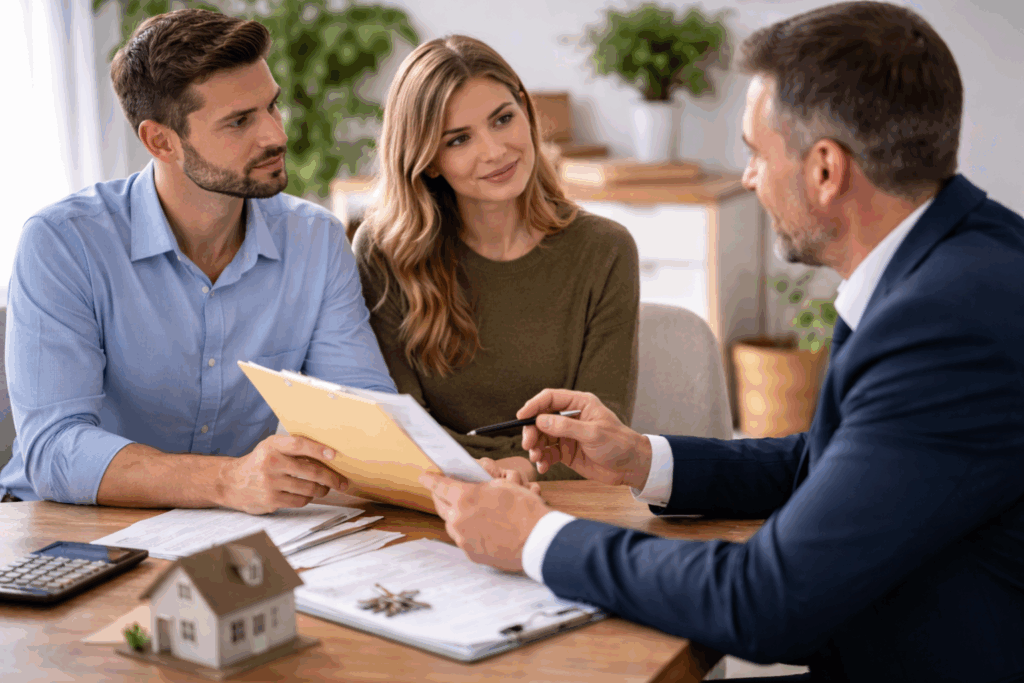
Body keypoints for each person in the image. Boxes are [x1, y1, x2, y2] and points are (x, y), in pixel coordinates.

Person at [419, 3, 1024, 681]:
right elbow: (833, 463)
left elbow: (766, 599)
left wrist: (535, 538)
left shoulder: (948, 325)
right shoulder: (956, 262)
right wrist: (641, 458)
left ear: (825, 170)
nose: (747, 177)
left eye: (755, 152)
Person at [0, 9, 397, 513]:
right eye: (240, 121)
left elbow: (364, 422)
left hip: (221, 528)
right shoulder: (64, 243)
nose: (276, 135)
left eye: (272, 106)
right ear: (161, 141)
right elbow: (54, 449)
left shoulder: (314, 240)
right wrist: (228, 480)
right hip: (58, 525)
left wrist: (453, 482)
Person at [353, 35, 639, 482]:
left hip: (561, 498)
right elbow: (401, 431)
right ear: (428, 160)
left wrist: (513, 470)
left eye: (503, 119)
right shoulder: (384, 252)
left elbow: (601, 433)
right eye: (458, 140)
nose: (494, 151)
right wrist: (483, 475)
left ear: (525, 110)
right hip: (435, 493)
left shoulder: (606, 250)